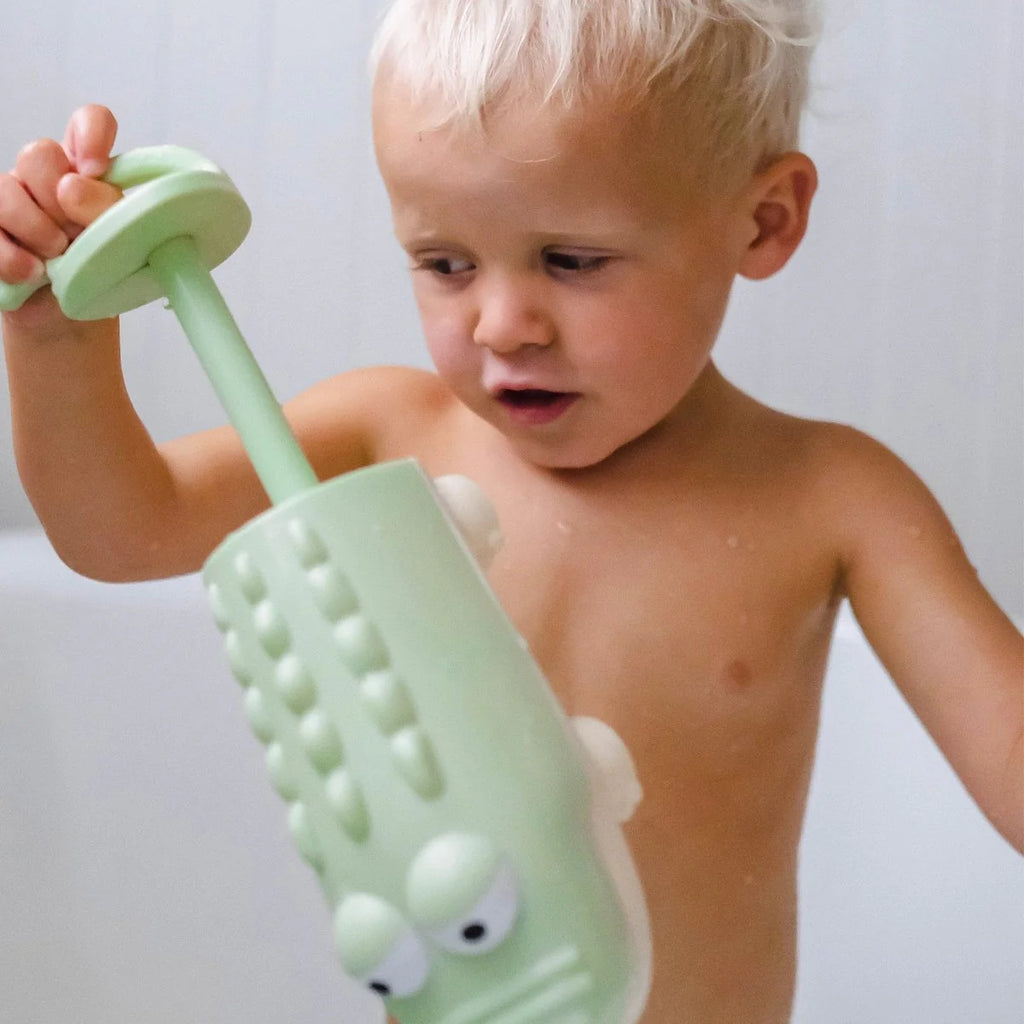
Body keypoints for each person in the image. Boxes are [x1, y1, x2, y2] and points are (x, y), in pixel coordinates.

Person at [1, 1, 1020, 1020]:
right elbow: (121, 529)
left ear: (763, 220)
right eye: (446, 264)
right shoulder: (386, 434)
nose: (502, 325)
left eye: (572, 261)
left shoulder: (829, 499)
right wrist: (54, 339)